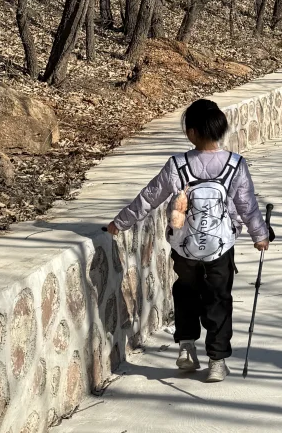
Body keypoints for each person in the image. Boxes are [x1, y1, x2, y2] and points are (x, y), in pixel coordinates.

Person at [106, 98, 270, 383]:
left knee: (185, 294)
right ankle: (217, 361)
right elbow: (248, 205)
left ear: (192, 132)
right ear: (220, 130)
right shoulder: (236, 165)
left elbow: (149, 197)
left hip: (185, 246)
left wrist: (119, 223)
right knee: (218, 300)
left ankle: (186, 348)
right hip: (221, 248)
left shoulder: (177, 165)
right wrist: (260, 235)